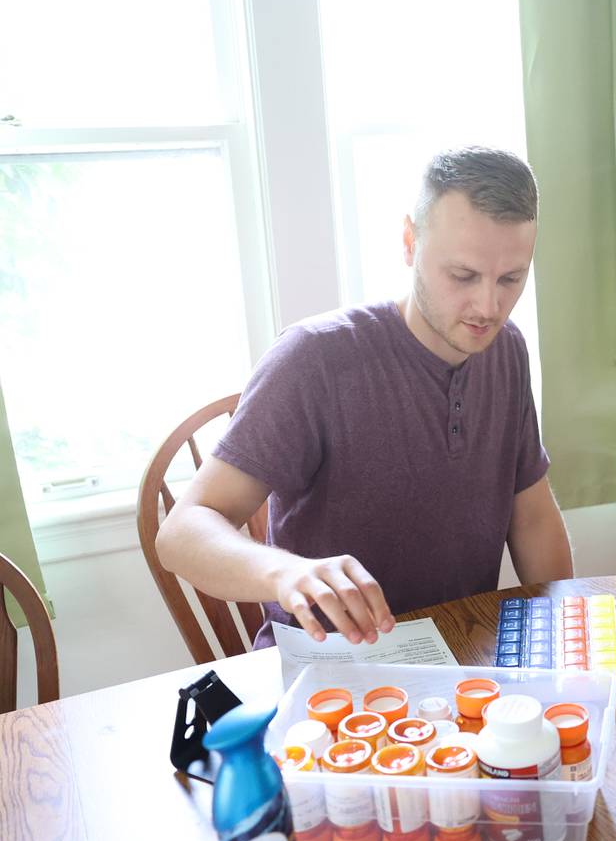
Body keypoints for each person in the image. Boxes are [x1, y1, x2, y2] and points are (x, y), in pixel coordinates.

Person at [158, 146, 572, 646]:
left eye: (511, 278)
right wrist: (283, 574)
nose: (488, 306)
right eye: (463, 275)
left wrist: (563, 639)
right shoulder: (316, 359)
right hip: (332, 669)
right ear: (409, 242)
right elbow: (181, 532)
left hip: (462, 656)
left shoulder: (506, 350)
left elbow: (531, 518)